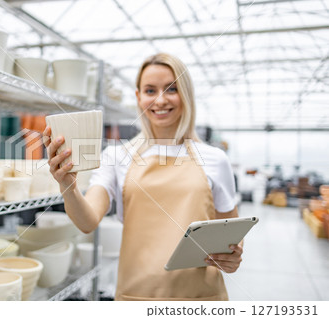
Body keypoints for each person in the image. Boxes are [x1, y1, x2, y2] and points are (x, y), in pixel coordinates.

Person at [43, 53, 242, 301]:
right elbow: (87, 221)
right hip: (136, 296)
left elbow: (231, 238)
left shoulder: (215, 159)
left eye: (171, 89)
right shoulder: (116, 156)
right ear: (138, 97)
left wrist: (232, 258)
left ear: (186, 94)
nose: (160, 100)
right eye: (150, 90)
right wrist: (68, 186)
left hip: (201, 299)